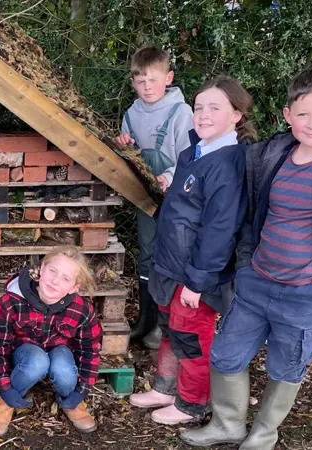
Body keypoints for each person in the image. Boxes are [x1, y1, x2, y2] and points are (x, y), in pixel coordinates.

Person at [181, 66, 312, 449]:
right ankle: (227, 425)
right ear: (288, 114)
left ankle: (262, 435)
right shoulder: (270, 156)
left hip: (308, 294)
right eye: (303, 113)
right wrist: (245, 264)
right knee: (226, 355)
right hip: (257, 281)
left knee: (286, 367)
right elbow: (250, 216)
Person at [129, 76, 255, 425]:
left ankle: (191, 404)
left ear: (237, 116)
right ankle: (165, 388)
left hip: (196, 275)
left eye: (215, 108)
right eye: (199, 107)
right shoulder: (194, 151)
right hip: (171, 265)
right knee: (171, 329)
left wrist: (198, 281)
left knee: (192, 339)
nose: (203, 115)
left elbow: (219, 230)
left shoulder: (229, 164)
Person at [116, 45, 194, 349]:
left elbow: (190, 157)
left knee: (171, 256)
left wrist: (170, 178)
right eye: (140, 81)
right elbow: (126, 159)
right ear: (133, 82)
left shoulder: (181, 112)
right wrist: (124, 145)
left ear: (168, 77)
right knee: (147, 255)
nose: (147, 87)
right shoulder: (131, 114)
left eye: (153, 80)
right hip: (146, 201)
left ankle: (165, 326)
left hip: (177, 200)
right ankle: (145, 322)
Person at [0, 246, 102, 437]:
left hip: (59, 351)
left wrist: (82, 390)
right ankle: (6, 402)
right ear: (42, 269)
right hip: (25, 355)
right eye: (53, 271)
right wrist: (3, 387)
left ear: (74, 287)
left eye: (65, 278)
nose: (55, 281)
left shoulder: (81, 310)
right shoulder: (12, 300)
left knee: (64, 369)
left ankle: (69, 401)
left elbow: (90, 350)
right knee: (37, 362)